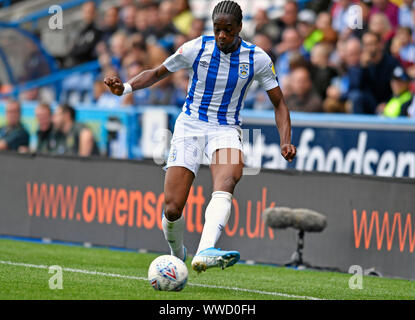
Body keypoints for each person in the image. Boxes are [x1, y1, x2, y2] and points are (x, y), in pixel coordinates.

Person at [104, 0, 296, 273]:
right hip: (190, 126)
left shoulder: (258, 59)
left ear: (240, 28)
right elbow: (157, 73)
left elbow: (279, 103)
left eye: (228, 30)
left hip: (227, 128)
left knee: (228, 179)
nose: (222, 36)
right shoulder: (197, 48)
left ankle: (205, 250)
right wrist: (124, 88)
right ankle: (177, 252)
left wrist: (285, 139)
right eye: (217, 29)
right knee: (172, 208)